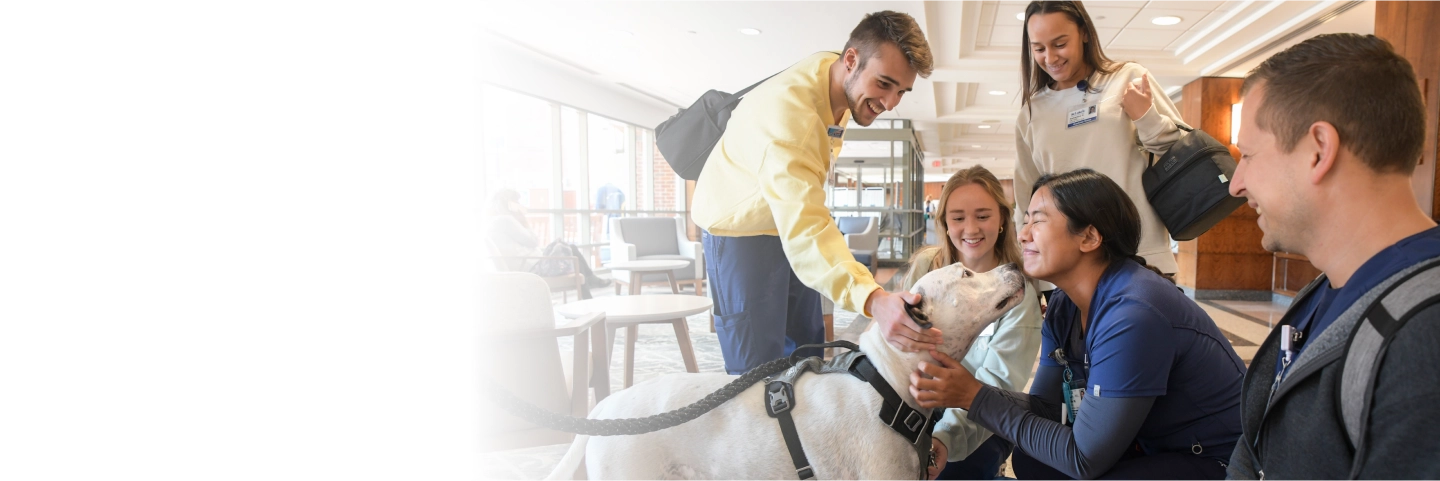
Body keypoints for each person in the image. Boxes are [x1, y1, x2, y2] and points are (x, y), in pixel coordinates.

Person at [910, 169, 1245, 480]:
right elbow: (1046, 408)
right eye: (1024, 221)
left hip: (1216, 459)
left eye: (1037, 221)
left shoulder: (1134, 313)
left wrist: (974, 397)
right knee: (1032, 460)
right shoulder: (1064, 307)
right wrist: (971, 392)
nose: (1023, 234)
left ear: (1088, 237)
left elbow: (1083, 458)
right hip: (1148, 443)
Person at [1224, 34, 1440, 480]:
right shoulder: (1330, 288)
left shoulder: (1423, 337)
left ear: (1319, 149)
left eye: (1248, 156)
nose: (1236, 184)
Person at [690, 11, 937, 374]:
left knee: (807, 352)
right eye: (884, 84)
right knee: (757, 375)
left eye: (901, 90)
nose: (891, 102)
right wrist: (874, 299)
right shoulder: (792, 120)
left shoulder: (831, 73)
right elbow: (805, 228)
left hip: (780, 220)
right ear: (851, 59)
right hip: (738, 230)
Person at [1012, 0, 1188, 285]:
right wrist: (1034, 274)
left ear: (1084, 33)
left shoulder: (1126, 79)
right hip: (1067, 264)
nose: (1050, 57)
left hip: (1139, 253)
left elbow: (1180, 152)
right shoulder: (1032, 113)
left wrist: (1146, 117)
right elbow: (1026, 200)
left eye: (1059, 44)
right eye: (1039, 48)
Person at [896, 166, 1043, 481]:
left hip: (982, 416)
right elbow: (900, 343)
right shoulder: (927, 267)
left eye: (983, 215)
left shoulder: (1015, 292)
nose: (971, 228)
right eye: (958, 217)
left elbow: (998, 384)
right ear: (945, 223)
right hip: (918, 402)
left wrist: (944, 438)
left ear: (1002, 219)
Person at [484, 189, 608, 297]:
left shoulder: (495, 222)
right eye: (516, 202)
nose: (519, 205)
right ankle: (589, 286)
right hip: (533, 268)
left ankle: (589, 287)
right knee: (570, 250)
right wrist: (524, 220)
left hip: (529, 265)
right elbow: (533, 241)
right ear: (509, 204)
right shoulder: (506, 220)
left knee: (570, 248)